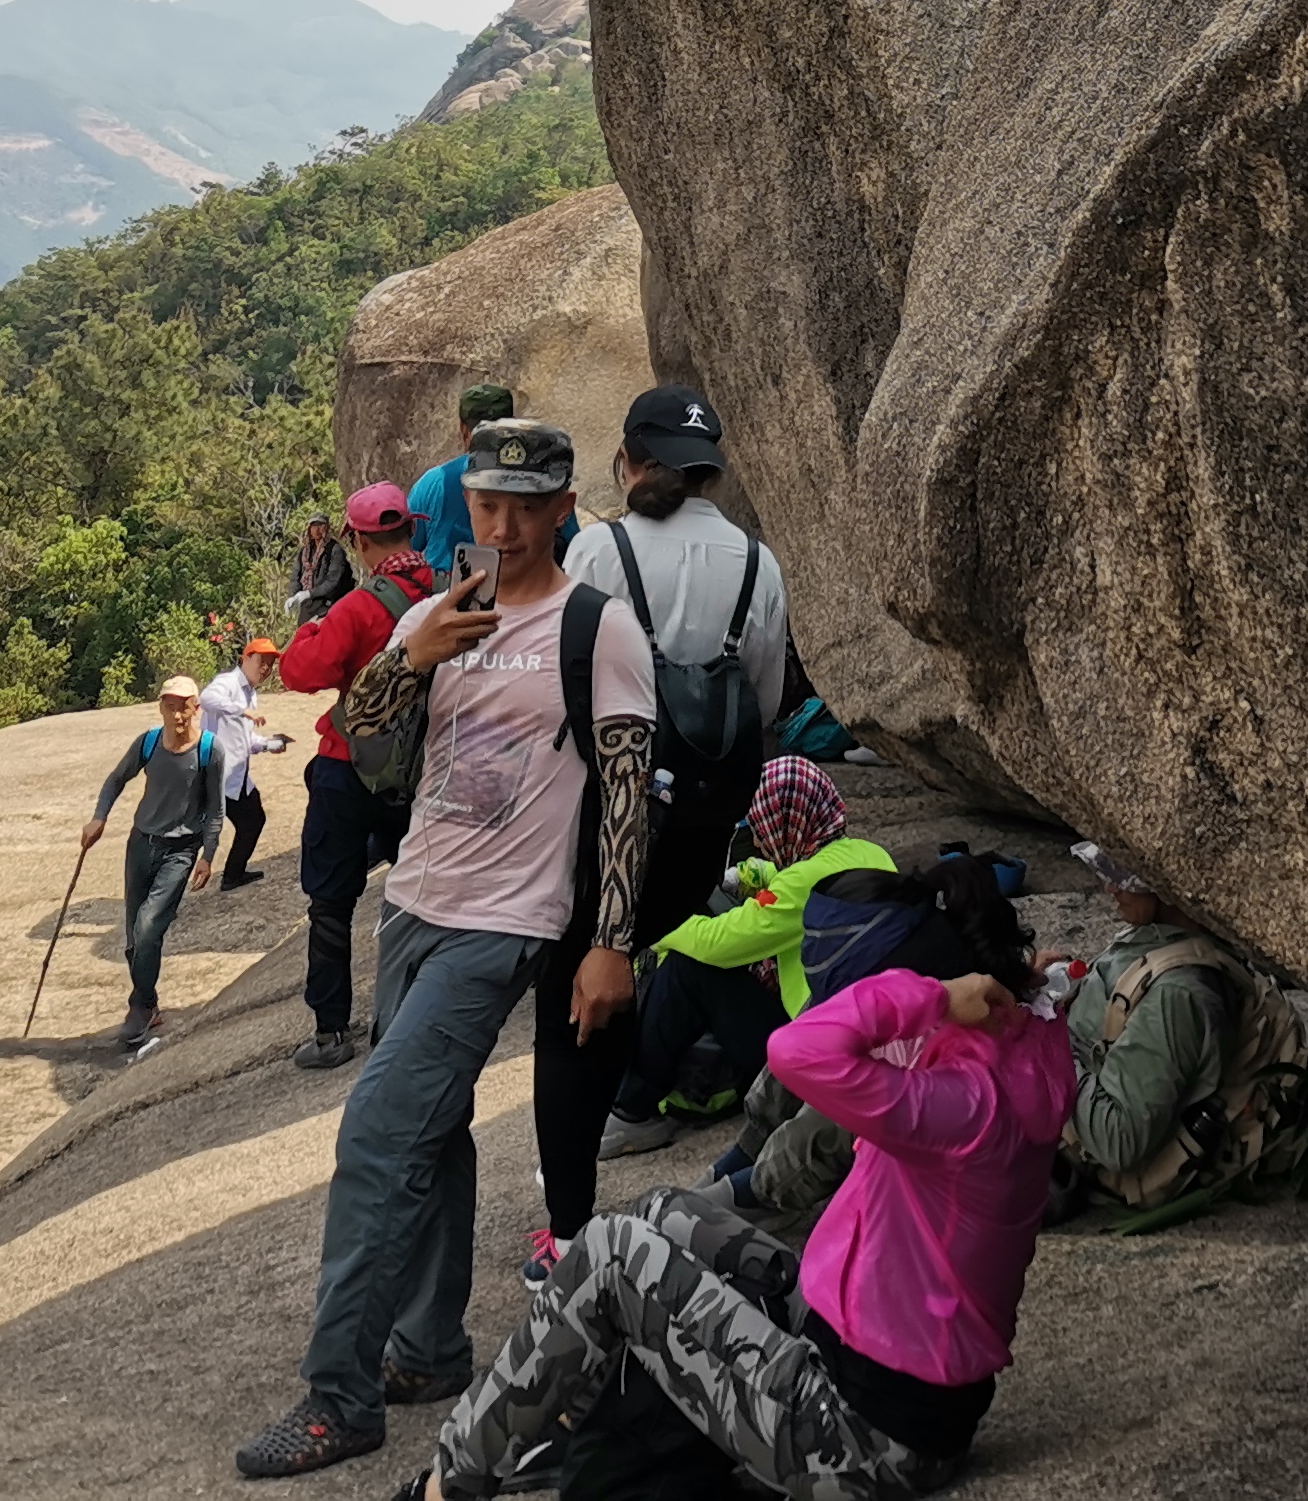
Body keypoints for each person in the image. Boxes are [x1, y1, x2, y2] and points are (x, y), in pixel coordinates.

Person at [235, 420, 661, 1483]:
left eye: (527, 506)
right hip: (414, 901)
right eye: (487, 504)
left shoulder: (598, 628)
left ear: (563, 510)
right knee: (436, 1130)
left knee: (379, 1134)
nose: (504, 526)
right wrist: (413, 654)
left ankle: (340, 1399)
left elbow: (624, 792)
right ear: (465, 506)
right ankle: (427, 1349)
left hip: (507, 921)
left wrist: (613, 942)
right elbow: (364, 726)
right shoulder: (436, 612)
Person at [393, 923, 1074, 1501]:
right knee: (666, 1211)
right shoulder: (1018, 1049)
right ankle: (567, 1423)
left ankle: (450, 1484)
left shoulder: (964, 1105)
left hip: (862, 1438)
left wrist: (929, 997)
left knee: (609, 1255)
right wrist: (1028, 983)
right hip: (854, 1349)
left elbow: (796, 1051)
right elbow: (1043, 994)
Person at [527, 387, 793, 1259]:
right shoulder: (757, 562)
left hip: (604, 812)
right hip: (702, 824)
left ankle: (569, 1228)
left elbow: (562, 679)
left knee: (574, 1001)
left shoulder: (599, 549)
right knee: (653, 954)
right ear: (710, 469)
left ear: (629, 462)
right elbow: (763, 699)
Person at [600, 756, 883, 1161]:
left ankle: (633, 1111)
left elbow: (721, 942)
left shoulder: (801, 884)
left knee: (688, 968)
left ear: (785, 823)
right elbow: (786, 880)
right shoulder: (868, 854)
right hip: (862, 1030)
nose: (762, 841)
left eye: (763, 829)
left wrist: (657, 928)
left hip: (811, 1048)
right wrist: (749, 876)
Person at [276, 486, 440, 1068]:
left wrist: (310, 630)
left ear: (359, 541)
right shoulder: (447, 592)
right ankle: (425, 1007)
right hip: (422, 769)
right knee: (427, 893)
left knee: (331, 901)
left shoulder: (356, 608)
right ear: (411, 531)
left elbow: (299, 673)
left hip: (347, 765)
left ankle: (330, 1034)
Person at [1058, 844, 1250, 1205]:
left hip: (1075, 1156)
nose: (1109, 888)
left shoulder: (1176, 996)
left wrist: (1045, 1046)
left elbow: (1118, 1140)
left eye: (1121, 878)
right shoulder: (1158, 934)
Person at [81, 674, 219, 1044]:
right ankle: (150, 1003)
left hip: (180, 850)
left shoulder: (209, 750)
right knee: (133, 938)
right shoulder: (149, 743)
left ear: (196, 708)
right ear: (161, 708)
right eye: (170, 707)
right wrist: (99, 817)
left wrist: (208, 855)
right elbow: (115, 779)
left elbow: (215, 809)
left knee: (148, 927)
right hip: (141, 844)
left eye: (184, 708)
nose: (177, 716)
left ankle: (139, 1006)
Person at [201, 640, 291, 892]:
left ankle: (233, 874)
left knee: (253, 820)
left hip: (237, 776)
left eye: (270, 665)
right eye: (262, 661)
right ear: (246, 657)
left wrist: (268, 744)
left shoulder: (251, 694)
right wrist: (241, 711)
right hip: (218, 775)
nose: (265, 669)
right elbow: (206, 698)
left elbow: (245, 739)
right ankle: (228, 875)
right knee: (201, 833)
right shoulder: (228, 682)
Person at [403, 383, 515, 579]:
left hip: (444, 592)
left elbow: (405, 549)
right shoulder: (536, 484)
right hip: (518, 590)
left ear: (464, 430)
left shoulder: (434, 482)